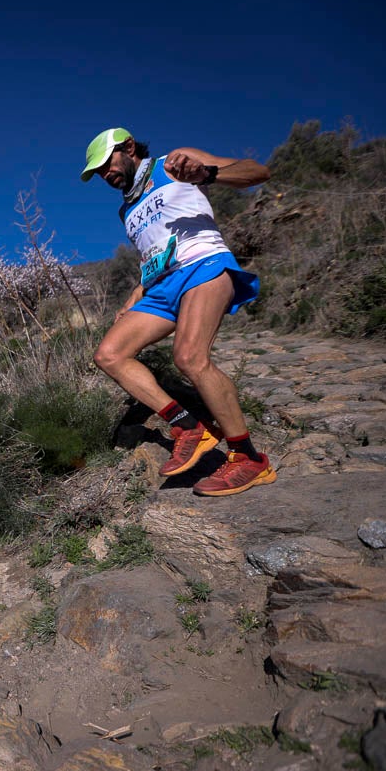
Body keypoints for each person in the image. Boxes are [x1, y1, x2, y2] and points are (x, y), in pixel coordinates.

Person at [82, 127, 277, 497]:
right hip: (160, 287)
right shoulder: (126, 209)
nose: (104, 174)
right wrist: (134, 296)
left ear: (127, 148)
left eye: (106, 163)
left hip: (203, 266)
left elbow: (257, 172)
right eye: (97, 172)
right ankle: (188, 426)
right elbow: (154, 255)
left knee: (189, 357)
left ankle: (248, 459)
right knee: (109, 354)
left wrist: (207, 174)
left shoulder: (173, 163)